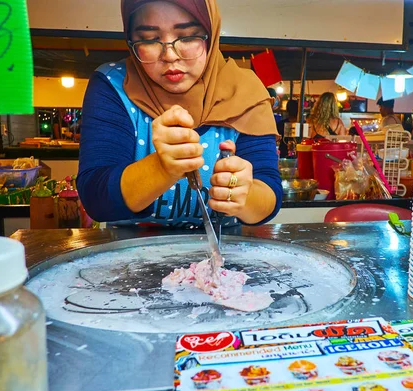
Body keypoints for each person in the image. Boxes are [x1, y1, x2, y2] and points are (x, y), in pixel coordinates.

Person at [77, 0, 282, 228]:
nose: (170, 55)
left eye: (187, 37)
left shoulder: (246, 92)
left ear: (210, 34)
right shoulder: (114, 85)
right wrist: (161, 169)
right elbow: (96, 199)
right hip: (130, 257)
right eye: (150, 39)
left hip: (222, 257)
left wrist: (245, 195)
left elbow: (269, 197)